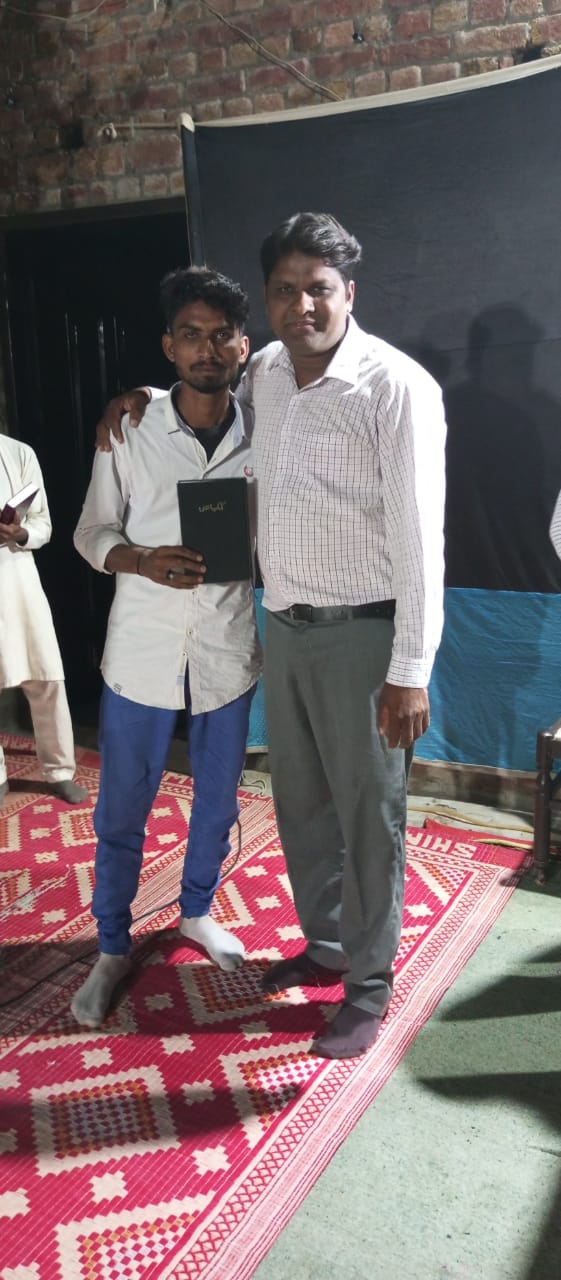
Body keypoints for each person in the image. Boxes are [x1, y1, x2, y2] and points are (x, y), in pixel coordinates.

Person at [96, 213, 447, 1059]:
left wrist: (409, 670)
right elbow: (200, 384)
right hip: (281, 630)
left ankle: (367, 987)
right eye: (285, 290)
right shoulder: (267, 374)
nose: (302, 305)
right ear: (267, 300)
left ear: (347, 292)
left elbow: (420, 542)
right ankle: (325, 946)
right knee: (303, 807)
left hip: (363, 636)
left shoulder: (394, 387)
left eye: (318, 289)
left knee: (369, 816)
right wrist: (135, 395)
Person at [71, 266, 261, 1029]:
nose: (206, 349)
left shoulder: (266, 429)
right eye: (191, 335)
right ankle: (110, 945)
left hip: (226, 648)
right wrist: (140, 560)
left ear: (243, 346)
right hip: (142, 651)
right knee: (123, 804)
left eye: (221, 335)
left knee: (216, 799)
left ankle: (196, 911)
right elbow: (91, 531)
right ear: (167, 347)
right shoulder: (131, 427)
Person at [0, 434, 89, 807]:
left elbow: (43, 524)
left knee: (45, 674)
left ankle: (59, 770)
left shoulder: (18, 453)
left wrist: (19, 532)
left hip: (17, 574)